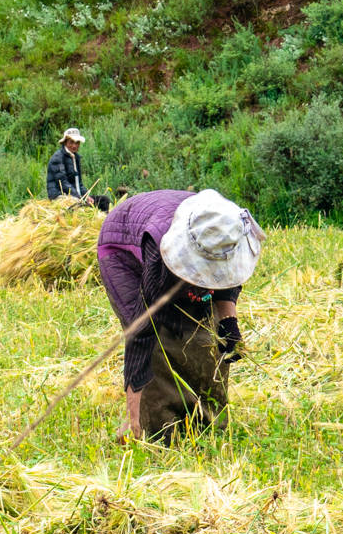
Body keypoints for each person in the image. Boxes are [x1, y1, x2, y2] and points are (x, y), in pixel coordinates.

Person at [97, 189, 263, 441]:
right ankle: (155, 425)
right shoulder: (159, 247)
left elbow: (228, 275)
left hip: (166, 222)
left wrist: (229, 322)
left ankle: (203, 417)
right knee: (160, 333)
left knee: (204, 329)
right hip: (122, 250)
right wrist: (134, 418)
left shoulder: (226, 228)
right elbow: (140, 337)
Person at [46, 128, 88, 202]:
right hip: (59, 196)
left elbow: (79, 183)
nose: (74, 146)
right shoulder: (57, 158)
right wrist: (78, 197)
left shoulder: (76, 158)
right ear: (65, 142)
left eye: (77, 142)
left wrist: (86, 195)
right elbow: (62, 183)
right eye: (71, 142)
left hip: (74, 195)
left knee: (103, 200)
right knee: (76, 204)